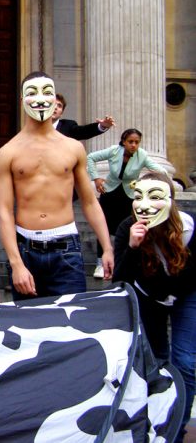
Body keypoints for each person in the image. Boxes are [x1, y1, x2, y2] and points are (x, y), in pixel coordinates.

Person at [0, 71, 113, 300]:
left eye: (47, 92)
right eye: (32, 93)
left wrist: (107, 247)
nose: (40, 99)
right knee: (27, 329)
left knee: (69, 327)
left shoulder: (73, 148)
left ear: (55, 99)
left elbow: (89, 202)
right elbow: (4, 211)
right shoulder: (7, 153)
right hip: (26, 249)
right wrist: (16, 263)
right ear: (22, 101)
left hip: (66, 249)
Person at [113, 172, 196, 443]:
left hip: (186, 295)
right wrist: (134, 247)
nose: (145, 204)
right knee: (156, 360)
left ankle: (177, 429)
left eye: (156, 197)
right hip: (148, 296)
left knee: (185, 361)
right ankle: (157, 423)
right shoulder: (128, 227)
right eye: (139, 197)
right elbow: (120, 280)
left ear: (170, 199)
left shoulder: (189, 228)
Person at [87, 129, 166, 278]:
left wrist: (160, 182)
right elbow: (91, 157)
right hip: (109, 192)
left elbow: (159, 169)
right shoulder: (114, 151)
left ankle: (121, 261)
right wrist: (96, 178)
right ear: (124, 142)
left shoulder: (141, 155)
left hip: (129, 196)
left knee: (126, 227)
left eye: (136, 142)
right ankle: (100, 264)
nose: (134, 145)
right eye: (131, 142)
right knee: (103, 226)